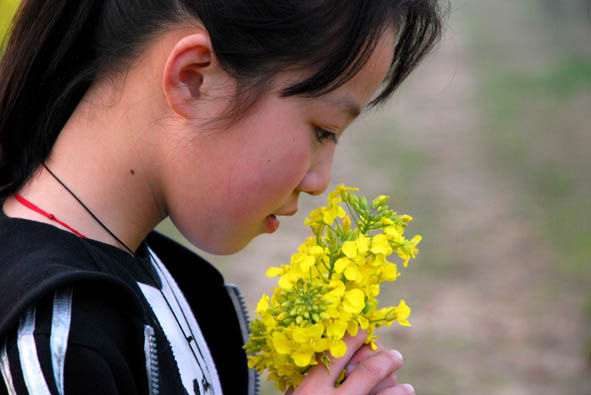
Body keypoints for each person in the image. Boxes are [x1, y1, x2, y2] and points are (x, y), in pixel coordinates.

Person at [0, 0, 443, 394]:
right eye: (323, 131)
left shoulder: (164, 278)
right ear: (194, 78)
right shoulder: (50, 338)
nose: (319, 180)